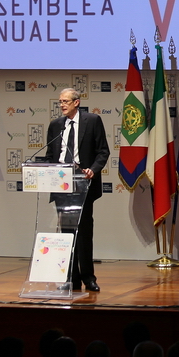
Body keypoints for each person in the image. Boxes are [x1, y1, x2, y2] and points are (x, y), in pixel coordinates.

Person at [47, 87, 110, 292]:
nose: (62, 105)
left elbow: (103, 151)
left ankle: (88, 278)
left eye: (65, 101)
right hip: (61, 186)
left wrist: (93, 170)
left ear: (76, 102)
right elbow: (50, 155)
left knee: (83, 233)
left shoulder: (92, 121)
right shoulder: (56, 126)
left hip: (84, 185)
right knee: (67, 234)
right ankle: (70, 279)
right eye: (60, 102)